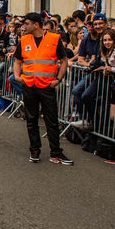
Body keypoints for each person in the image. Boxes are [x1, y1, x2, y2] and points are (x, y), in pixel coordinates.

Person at [12, 12, 72, 164]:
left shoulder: (54, 39)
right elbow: (18, 60)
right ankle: (34, 150)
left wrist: (58, 79)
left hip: (47, 85)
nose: (24, 27)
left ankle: (56, 152)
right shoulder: (24, 40)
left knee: (51, 120)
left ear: (36, 24)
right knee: (31, 119)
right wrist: (17, 76)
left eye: (26, 24)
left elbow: (64, 61)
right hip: (29, 84)